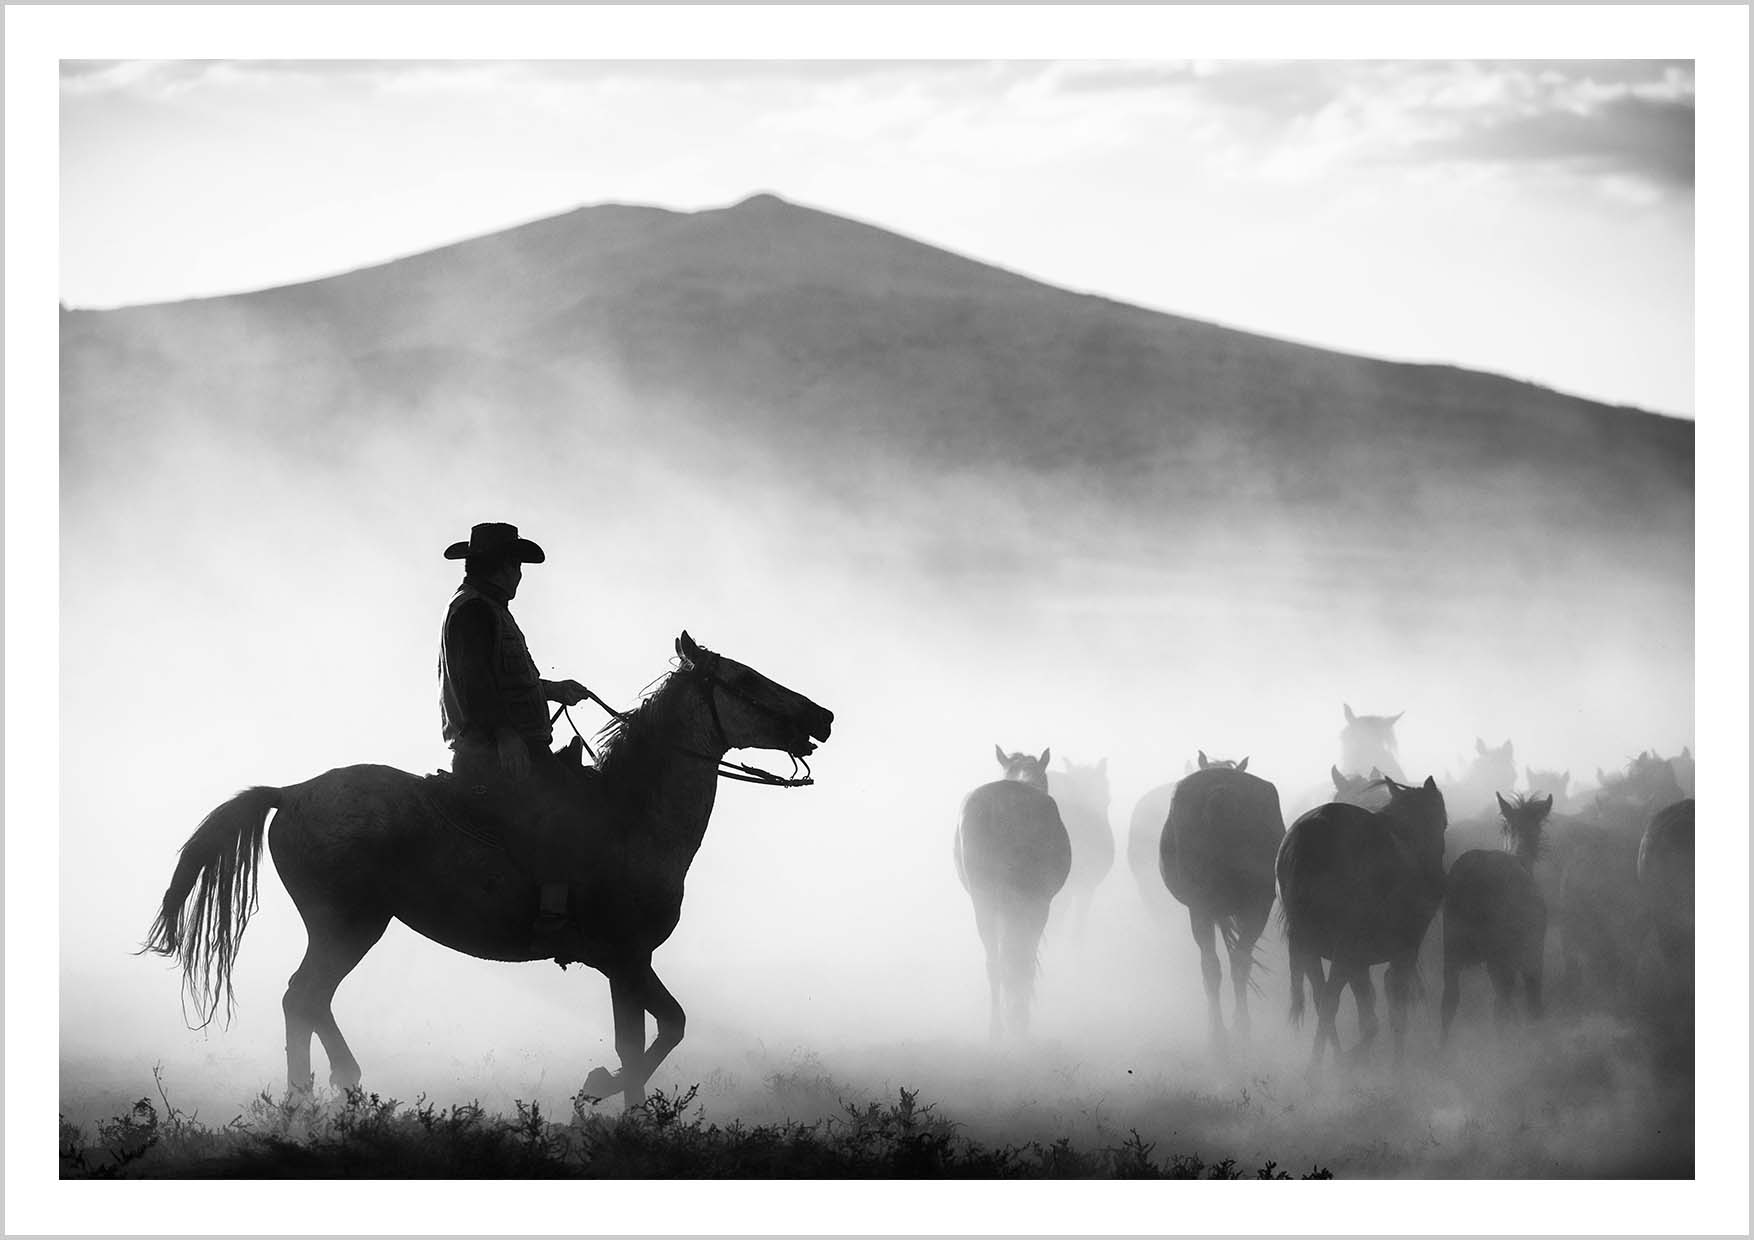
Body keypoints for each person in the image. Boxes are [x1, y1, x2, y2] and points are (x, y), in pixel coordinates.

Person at [438, 521, 588, 939]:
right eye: (516, 565)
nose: (520, 574)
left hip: (500, 743)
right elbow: (474, 682)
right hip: (491, 751)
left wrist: (552, 690)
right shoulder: (474, 611)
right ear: (501, 568)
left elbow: (496, 679)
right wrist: (504, 733)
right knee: (564, 809)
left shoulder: (484, 608)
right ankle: (552, 916)